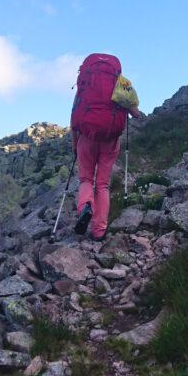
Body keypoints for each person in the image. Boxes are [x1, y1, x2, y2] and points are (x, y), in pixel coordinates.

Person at [69, 53, 142, 240]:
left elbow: (74, 115)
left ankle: (86, 206)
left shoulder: (84, 87)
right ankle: (99, 231)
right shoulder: (121, 84)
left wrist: (74, 144)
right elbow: (136, 114)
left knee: (86, 179)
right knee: (102, 184)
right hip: (110, 138)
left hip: (86, 137)